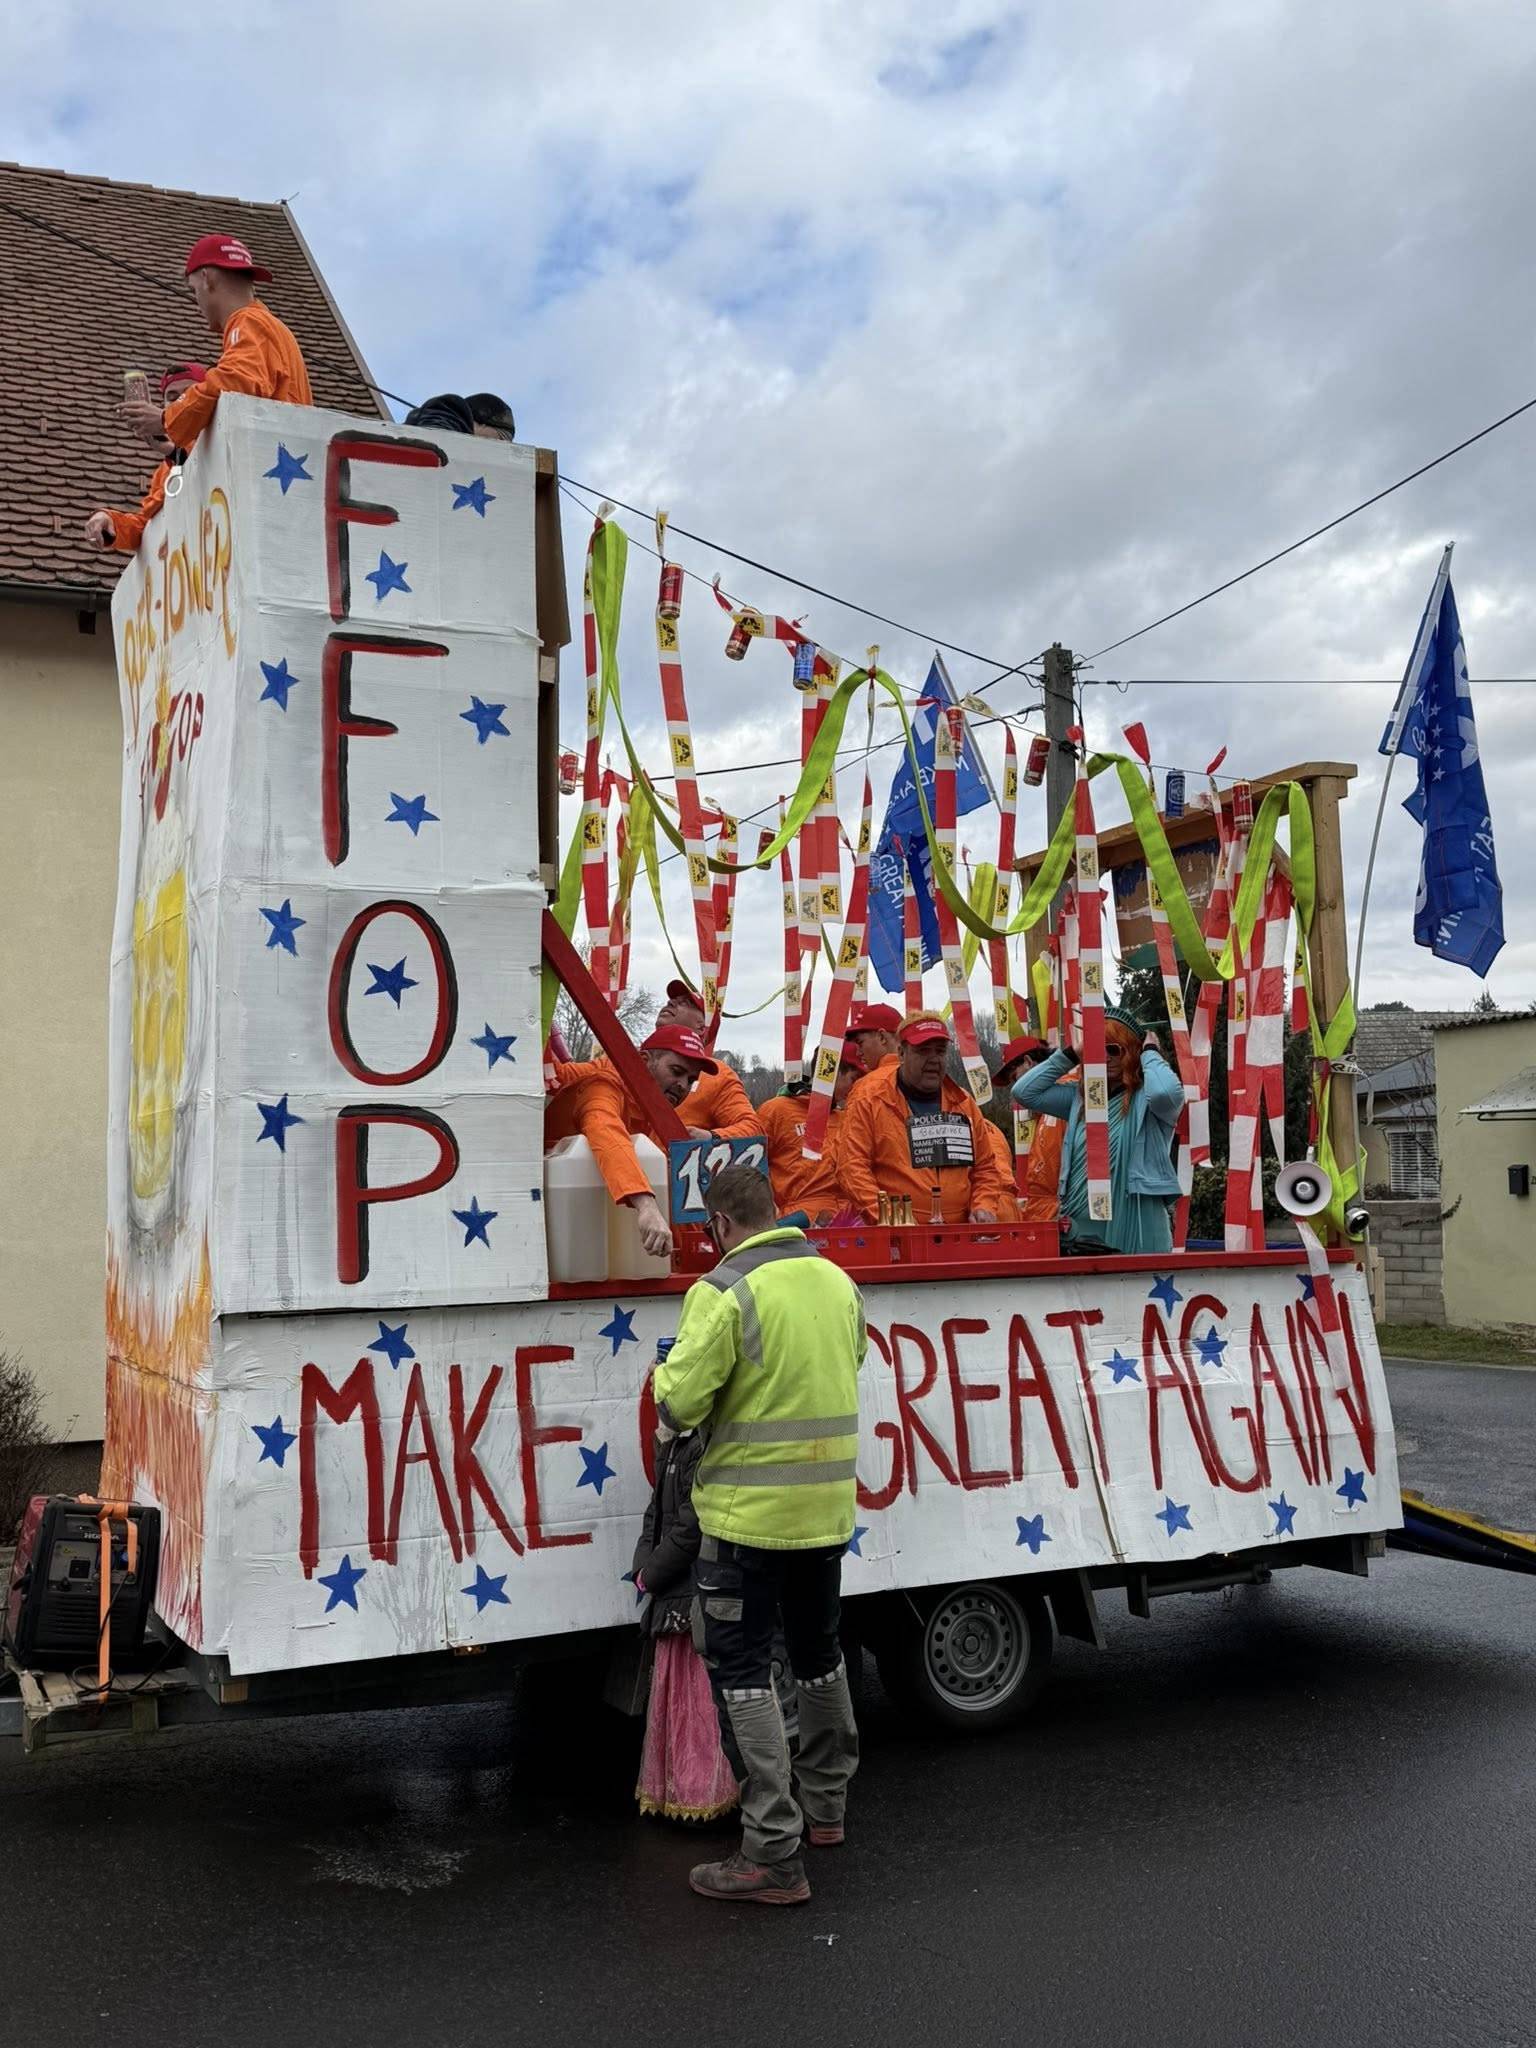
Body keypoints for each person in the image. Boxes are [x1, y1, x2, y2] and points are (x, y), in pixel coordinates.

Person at [654, 1163, 865, 1906]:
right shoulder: (837, 1282)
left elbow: (679, 1403)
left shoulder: (723, 1291)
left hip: (747, 1522)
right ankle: (827, 1811)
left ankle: (772, 1853)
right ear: (775, 1212)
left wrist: (665, 1377)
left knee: (742, 1673)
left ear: (719, 1225)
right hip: (826, 1514)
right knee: (818, 1657)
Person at [631, 1378, 738, 1825]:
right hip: (673, 1591)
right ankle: (683, 1794)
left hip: (693, 1592)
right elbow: (656, 1514)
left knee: (696, 1704)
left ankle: (704, 1796)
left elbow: (691, 1528)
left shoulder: (699, 1448)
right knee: (678, 1701)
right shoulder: (674, 1445)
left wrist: (650, 1573)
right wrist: (644, 1568)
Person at [121, 233, 312, 458]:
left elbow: (235, 381)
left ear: (206, 278)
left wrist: (166, 418)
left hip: (269, 462)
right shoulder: (269, 326)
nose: (197, 302)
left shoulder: (248, 321)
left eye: (193, 290)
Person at [1011, 1009, 1184, 1253]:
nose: (1105, 1057)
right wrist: (1072, 1054)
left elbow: (1165, 1092)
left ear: (1132, 1052)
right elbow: (1024, 1092)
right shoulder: (1081, 1099)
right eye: (1098, 1049)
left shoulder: (1148, 1100)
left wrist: (1150, 1052)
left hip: (1138, 1224)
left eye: (1114, 1049)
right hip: (1083, 1230)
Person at [545, 1024, 721, 1258]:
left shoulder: (655, 1118)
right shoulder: (601, 1087)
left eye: (691, 1080)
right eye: (676, 1071)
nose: (683, 1085)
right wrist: (646, 1206)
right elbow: (607, 1134)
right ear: (643, 1061)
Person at [836, 1010, 1006, 1225]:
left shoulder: (963, 1102)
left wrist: (984, 1205)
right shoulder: (869, 1098)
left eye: (940, 1051)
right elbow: (852, 1167)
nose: (934, 1059)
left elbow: (986, 1167)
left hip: (959, 1234)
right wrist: (891, 1219)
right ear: (901, 1053)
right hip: (896, 1236)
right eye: (923, 1051)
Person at [84, 364, 208, 554]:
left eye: (189, 393)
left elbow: (209, 472)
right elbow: (147, 527)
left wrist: (174, 453)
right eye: (172, 397)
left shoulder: (222, 435)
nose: (180, 401)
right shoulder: (164, 470)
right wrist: (109, 521)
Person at [758, 1041, 864, 1219]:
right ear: (833, 1072)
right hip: (799, 1223)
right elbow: (751, 1167)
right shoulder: (777, 1111)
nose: (856, 1087)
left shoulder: (847, 1117)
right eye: (854, 1079)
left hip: (848, 1221)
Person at [652, 980, 763, 1139]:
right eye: (673, 1000)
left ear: (701, 1027)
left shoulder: (717, 1076)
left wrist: (711, 1137)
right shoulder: (627, 1055)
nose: (671, 1002)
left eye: (685, 1003)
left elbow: (752, 1128)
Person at [992, 1032, 1061, 1224]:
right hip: (1045, 1220)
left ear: (1028, 1062)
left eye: (1015, 1079)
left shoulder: (1063, 1106)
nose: (1015, 1089)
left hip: (1059, 1222)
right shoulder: (1044, 1114)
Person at [843, 1001, 903, 1096]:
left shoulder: (867, 1088)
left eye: (860, 1043)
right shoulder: (924, 1078)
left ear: (882, 1037)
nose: (858, 1053)